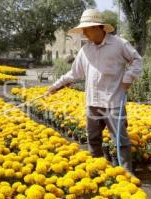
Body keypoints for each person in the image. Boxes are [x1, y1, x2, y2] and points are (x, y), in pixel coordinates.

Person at [47, 9, 142, 173]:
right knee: (93, 138)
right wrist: (56, 85)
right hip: (93, 102)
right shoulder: (85, 50)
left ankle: (127, 173)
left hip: (113, 101)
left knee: (120, 139)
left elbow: (137, 60)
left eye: (86, 28)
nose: (83, 32)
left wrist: (128, 77)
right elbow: (74, 73)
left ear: (98, 27)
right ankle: (97, 170)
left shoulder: (119, 44)